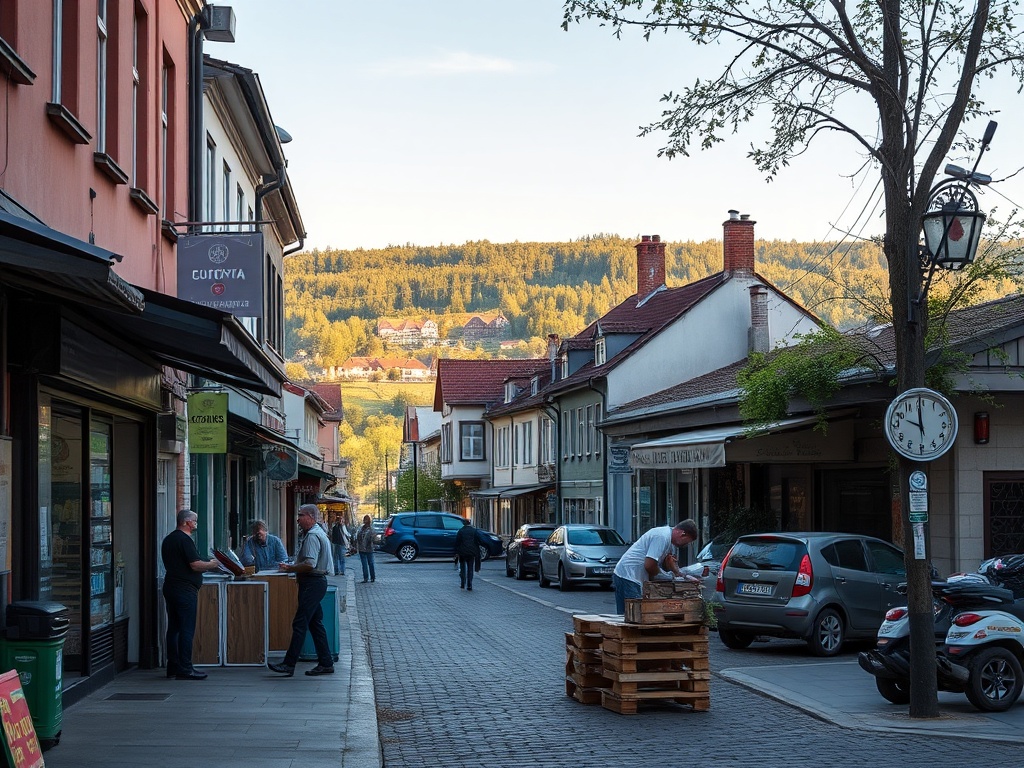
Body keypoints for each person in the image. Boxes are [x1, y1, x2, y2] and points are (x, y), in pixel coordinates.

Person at [268, 504, 335, 677]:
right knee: (315, 624)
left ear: (311, 517)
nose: (298, 519)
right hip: (315, 582)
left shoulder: (312, 536)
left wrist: (291, 568)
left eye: (301, 515)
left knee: (300, 623)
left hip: (312, 582)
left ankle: (289, 664)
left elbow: (310, 564)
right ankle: (326, 662)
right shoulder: (317, 533)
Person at [161, 509, 221, 680]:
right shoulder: (185, 540)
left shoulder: (169, 539)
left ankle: (173, 666)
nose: (196, 524)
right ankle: (185, 668)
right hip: (185, 590)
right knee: (186, 629)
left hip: (171, 586)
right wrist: (213, 564)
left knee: (174, 628)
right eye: (194, 521)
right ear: (186, 522)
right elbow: (195, 565)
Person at [612, 519, 700, 614]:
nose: (685, 545)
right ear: (683, 534)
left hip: (631, 575)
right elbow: (649, 565)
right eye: (687, 542)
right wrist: (668, 577)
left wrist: (682, 575)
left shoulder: (669, 540)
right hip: (629, 575)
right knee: (634, 614)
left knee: (631, 614)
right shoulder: (662, 537)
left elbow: (666, 564)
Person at [454, 517, 482, 591]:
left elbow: (457, 542)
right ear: (469, 523)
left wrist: (456, 552)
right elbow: (478, 541)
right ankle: (469, 584)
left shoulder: (460, 531)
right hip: (471, 552)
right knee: (470, 568)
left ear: (463, 524)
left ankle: (463, 584)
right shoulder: (474, 531)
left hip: (462, 552)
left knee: (462, 568)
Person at [355, 515, 376, 583]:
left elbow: (373, 538)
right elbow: (358, 538)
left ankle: (372, 577)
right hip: (362, 549)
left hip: (369, 549)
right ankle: (366, 578)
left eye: (366, 519)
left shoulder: (371, 529)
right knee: (365, 564)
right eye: (364, 519)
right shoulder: (361, 529)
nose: (364, 521)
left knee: (370, 563)